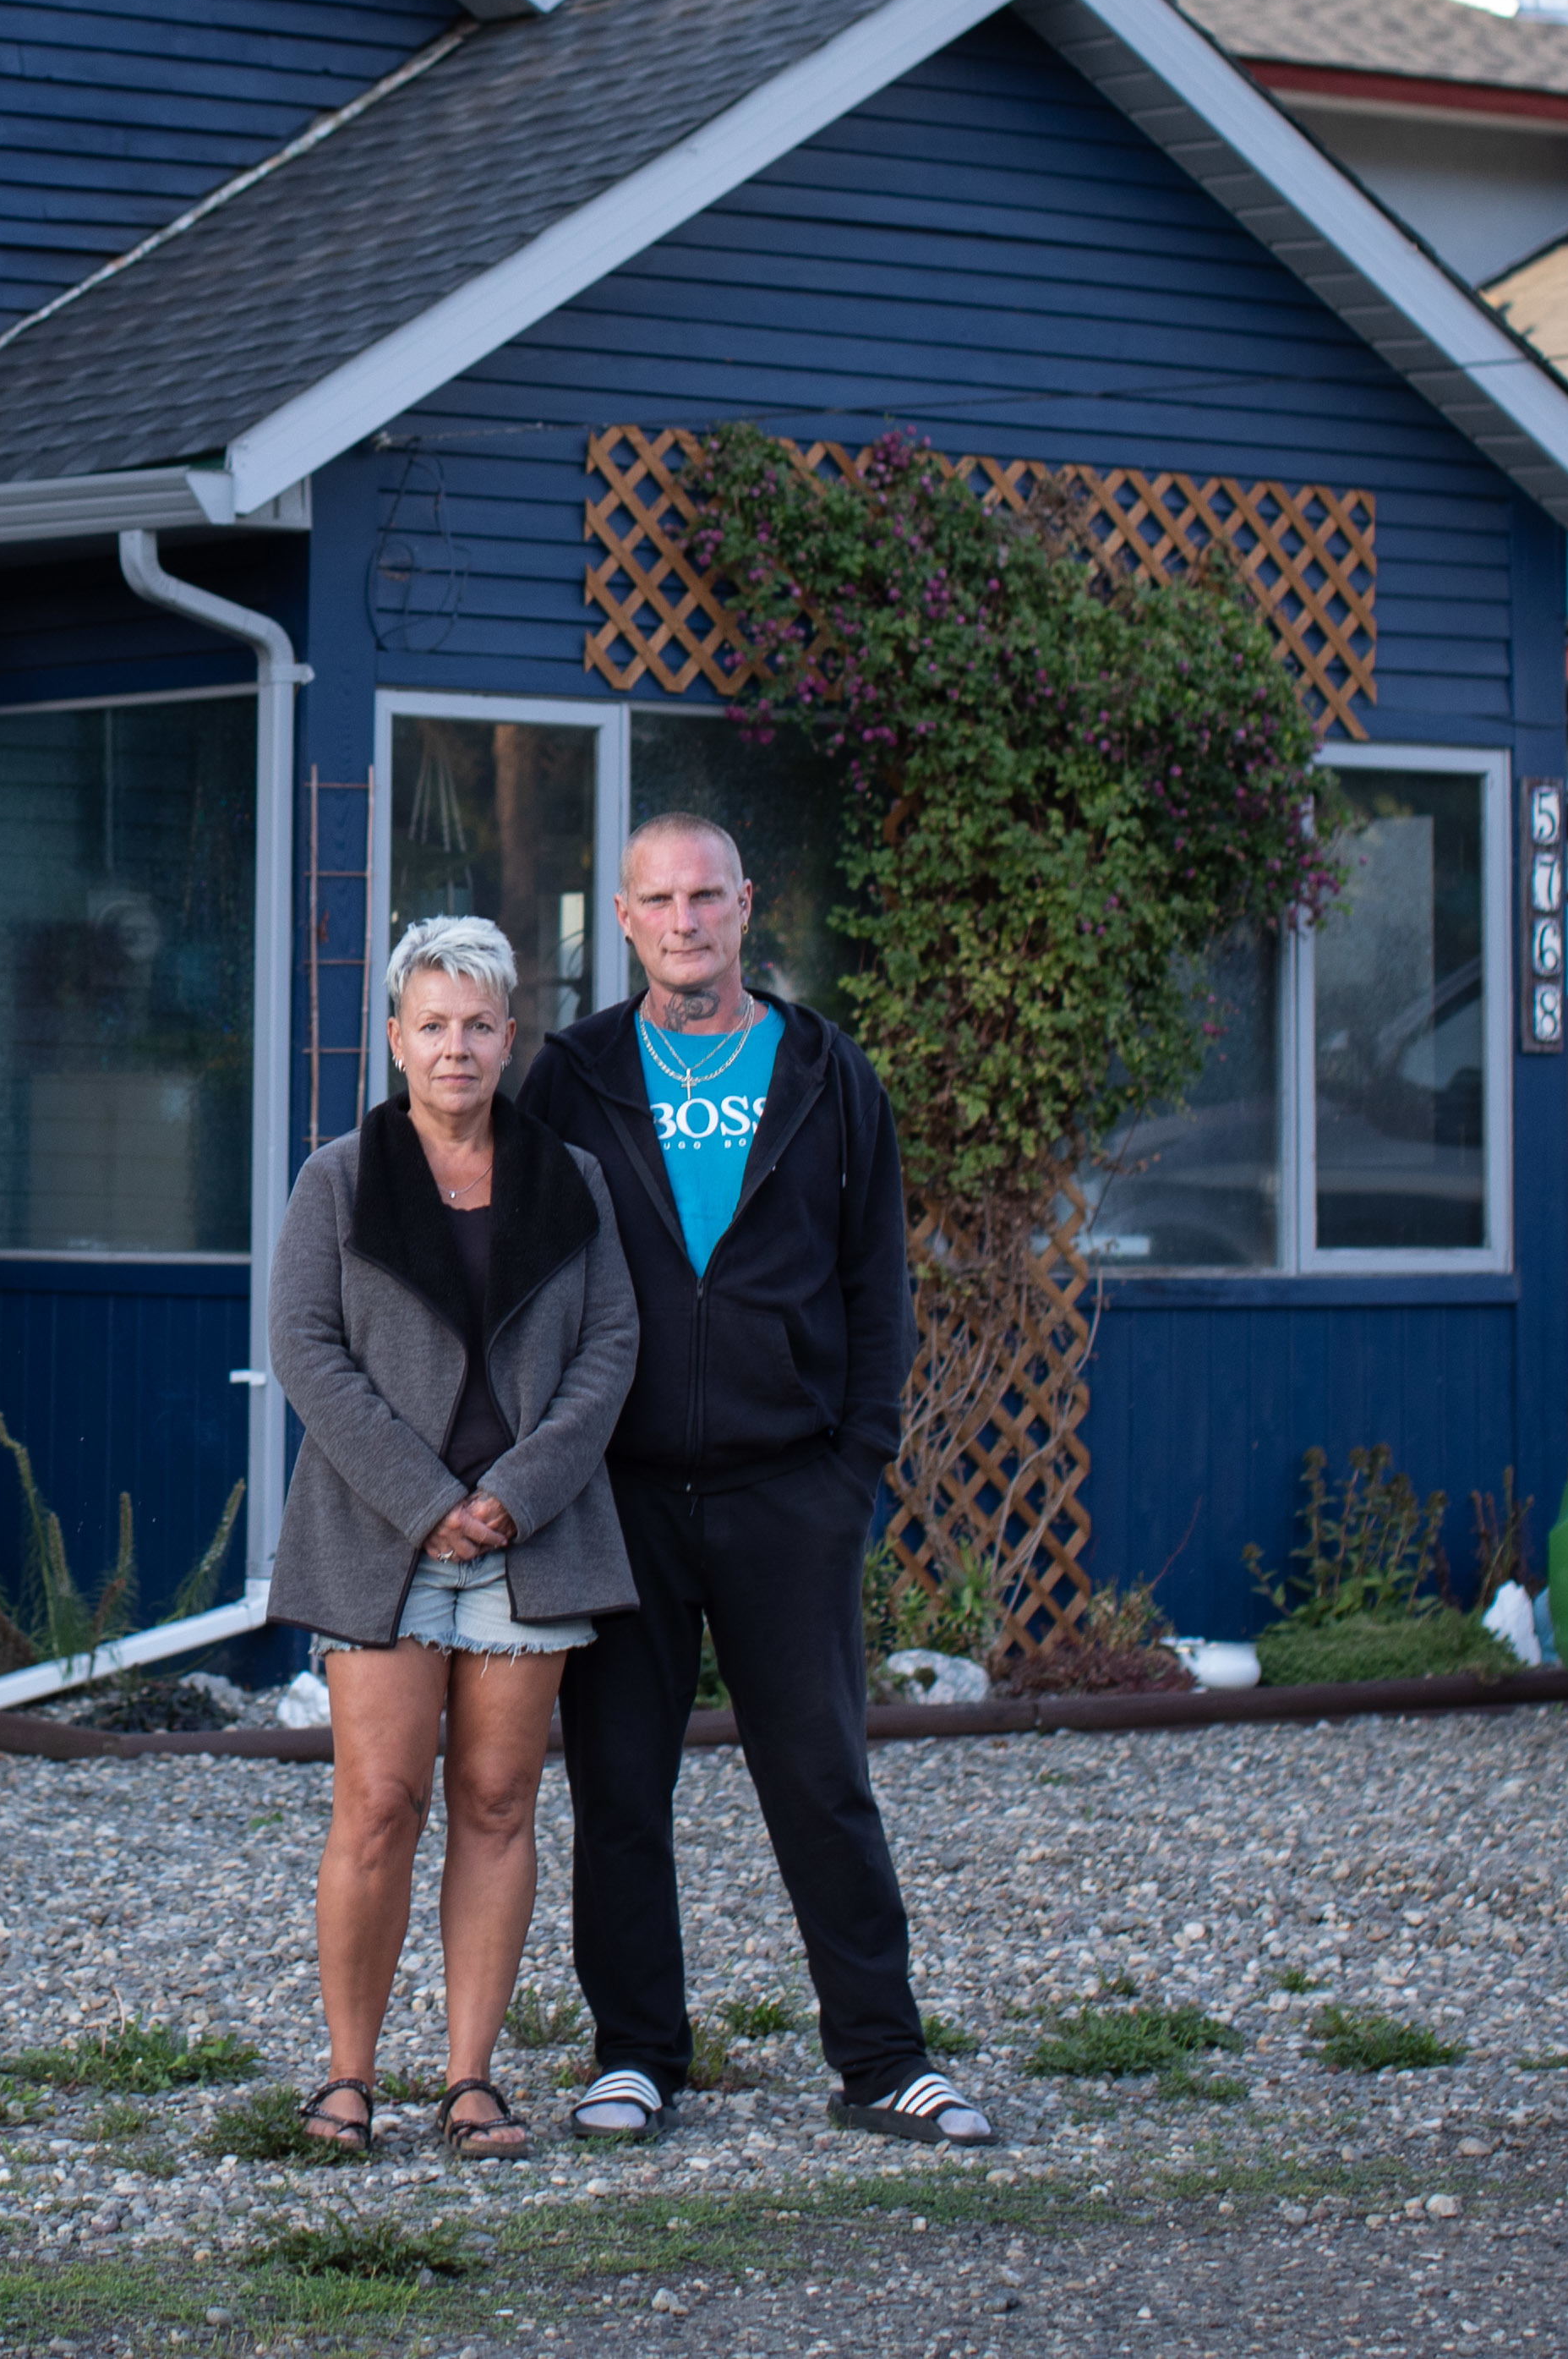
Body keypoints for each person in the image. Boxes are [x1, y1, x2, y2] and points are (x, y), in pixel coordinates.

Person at [518, 814, 995, 2149]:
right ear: (620, 918)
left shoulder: (828, 1073)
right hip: (619, 1494)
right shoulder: (573, 1078)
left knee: (822, 1777)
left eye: (707, 895)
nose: (686, 920)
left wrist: (858, 1463)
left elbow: (876, 1285)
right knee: (619, 1782)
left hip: (791, 1490)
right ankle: (637, 2055)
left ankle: (882, 2056)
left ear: (747, 905)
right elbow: (522, 1274)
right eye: (659, 899)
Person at [265, 913, 642, 2161]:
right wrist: (430, 1498)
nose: (456, 1047)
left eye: (478, 1023)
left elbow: (608, 1349)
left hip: (531, 1540)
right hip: (382, 1534)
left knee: (496, 1798)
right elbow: (306, 1351)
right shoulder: (337, 1178)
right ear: (394, 1039)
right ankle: (348, 2076)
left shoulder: (566, 1178)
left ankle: (472, 2078)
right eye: (431, 1024)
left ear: (510, 1036)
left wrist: (514, 1494)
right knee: (379, 1800)